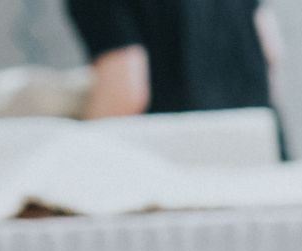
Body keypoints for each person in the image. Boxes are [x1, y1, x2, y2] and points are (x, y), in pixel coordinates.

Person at [64, 0, 288, 155]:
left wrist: (74, 156)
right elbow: (271, 51)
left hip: (179, 171)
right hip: (263, 156)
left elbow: (126, 94)